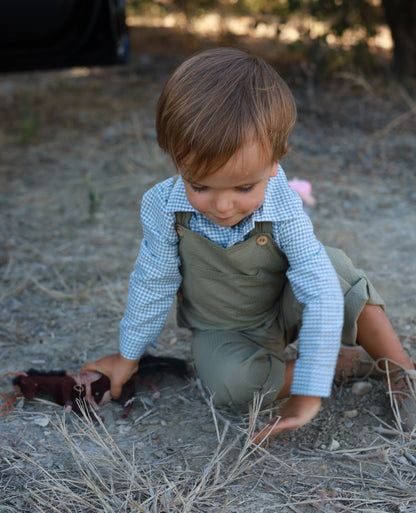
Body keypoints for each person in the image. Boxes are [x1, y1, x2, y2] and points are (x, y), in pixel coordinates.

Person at [81, 48, 415, 441]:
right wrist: (127, 356)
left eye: (244, 187)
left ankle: (399, 370)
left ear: (276, 162)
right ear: (175, 161)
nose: (223, 206)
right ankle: (339, 364)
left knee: (334, 271)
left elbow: (320, 290)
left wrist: (310, 393)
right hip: (226, 328)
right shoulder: (161, 207)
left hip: (286, 304)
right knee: (228, 385)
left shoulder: (281, 201)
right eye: (199, 186)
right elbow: (153, 281)